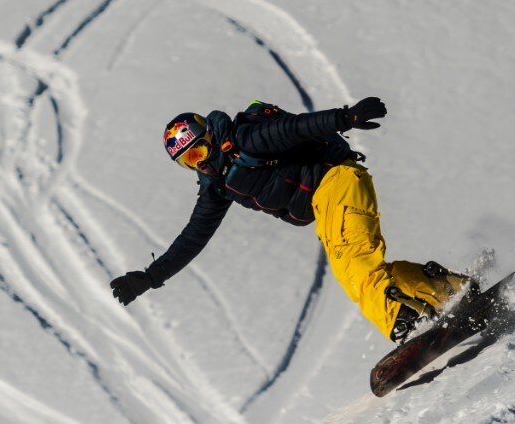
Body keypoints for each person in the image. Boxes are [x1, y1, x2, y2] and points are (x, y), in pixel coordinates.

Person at [109, 97, 471, 342]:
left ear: (210, 139)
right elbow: (193, 237)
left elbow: (295, 129)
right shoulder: (217, 187)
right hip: (325, 204)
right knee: (356, 270)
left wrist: (345, 117)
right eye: (188, 162)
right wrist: (150, 277)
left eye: (200, 151)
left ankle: (404, 321)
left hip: (338, 182)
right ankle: (447, 290)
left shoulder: (246, 140)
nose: (201, 163)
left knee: (355, 267)